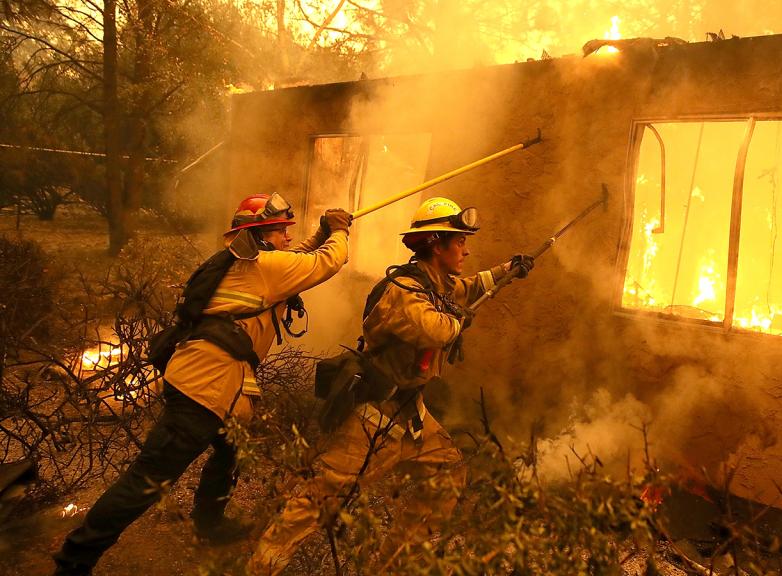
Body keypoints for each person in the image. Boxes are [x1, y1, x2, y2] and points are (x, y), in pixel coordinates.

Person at [54, 193, 354, 576]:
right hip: (204, 390)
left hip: (215, 386)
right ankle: (74, 560)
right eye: (281, 232)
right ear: (260, 234)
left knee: (229, 452)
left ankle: (210, 523)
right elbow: (326, 263)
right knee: (148, 480)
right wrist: (339, 231)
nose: (287, 239)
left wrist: (320, 232)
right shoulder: (263, 266)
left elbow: (296, 259)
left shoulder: (244, 263)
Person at [247, 196, 533, 575]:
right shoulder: (404, 292)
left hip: (408, 414)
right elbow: (438, 328)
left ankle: (393, 566)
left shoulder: (436, 283)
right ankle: (258, 567)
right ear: (435, 243)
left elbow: (466, 289)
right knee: (318, 500)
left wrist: (507, 271)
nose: (466, 248)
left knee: (448, 470)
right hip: (373, 420)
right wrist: (459, 319)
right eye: (460, 241)